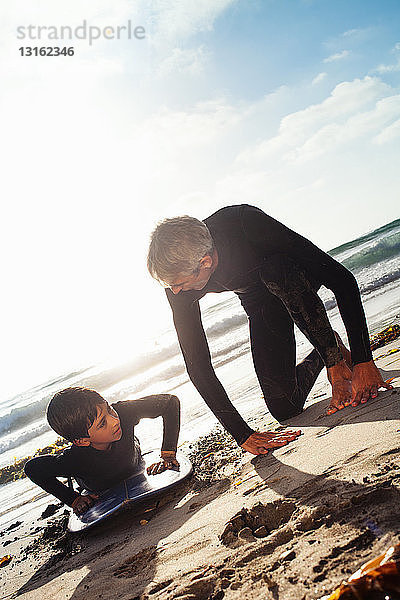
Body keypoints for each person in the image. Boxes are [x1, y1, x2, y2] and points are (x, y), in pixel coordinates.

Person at [147, 204, 391, 456]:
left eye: (177, 284)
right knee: (284, 407)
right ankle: (327, 353)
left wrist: (364, 361)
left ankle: (334, 358)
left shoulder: (246, 224)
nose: (174, 291)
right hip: (260, 301)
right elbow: (197, 364)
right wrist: (243, 434)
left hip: (296, 278)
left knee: (276, 271)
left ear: (205, 262)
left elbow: (342, 280)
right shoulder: (177, 280)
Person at [24, 387, 180, 515]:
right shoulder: (74, 460)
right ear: (81, 441)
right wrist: (73, 499)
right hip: (95, 482)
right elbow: (32, 468)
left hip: (132, 454)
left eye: (109, 409)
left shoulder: (124, 412)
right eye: (102, 424)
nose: (114, 420)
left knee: (129, 438)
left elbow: (169, 403)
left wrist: (168, 454)